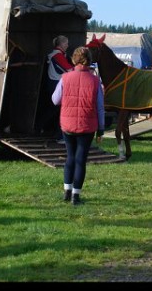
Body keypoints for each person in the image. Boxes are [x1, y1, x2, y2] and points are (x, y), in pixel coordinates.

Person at [52, 46, 105, 205]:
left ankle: (66, 191)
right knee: (81, 159)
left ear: (74, 59)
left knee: (70, 157)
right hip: (87, 125)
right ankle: (76, 196)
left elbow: (55, 100)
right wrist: (101, 129)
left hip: (67, 125)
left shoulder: (65, 78)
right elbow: (100, 107)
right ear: (89, 60)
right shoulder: (95, 81)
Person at [46, 35, 74, 141]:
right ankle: (59, 136)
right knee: (61, 111)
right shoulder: (58, 56)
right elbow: (69, 69)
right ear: (61, 44)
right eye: (66, 43)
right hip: (56, 85)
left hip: (54, 84)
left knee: (54, 110)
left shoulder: (58, 54)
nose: (67, 45)